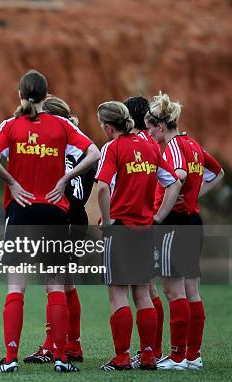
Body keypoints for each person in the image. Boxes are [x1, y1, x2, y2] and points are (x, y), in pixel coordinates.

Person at [0, 70, 100, 373]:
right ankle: (61, 358)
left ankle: (10, 360)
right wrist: (65, 178)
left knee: (15, 288)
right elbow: (94, 153)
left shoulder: (10, 126)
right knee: (56, 286)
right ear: (47, 96)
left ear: (19, 95)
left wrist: (11, 182)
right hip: (54, 213)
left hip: (21, 212)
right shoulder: (61, 125)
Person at [95, 101, 182, 371]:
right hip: (145, 230)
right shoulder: (150, 146)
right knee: (143, 294)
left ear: (108, 127)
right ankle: (147, 356)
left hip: (120, 228)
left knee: (118, 295)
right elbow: (174, 182)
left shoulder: (113, 147)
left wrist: (108, 222)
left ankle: (121, 357)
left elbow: (101, 188)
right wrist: (157, 217)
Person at [145, 92, 225, 370]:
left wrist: (159, 216)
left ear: (162, 126)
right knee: (192, 290)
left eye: (150, 128)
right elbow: (217, 173)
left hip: (174, 224)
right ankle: (193, 355)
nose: (149, 133)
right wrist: (194, 196)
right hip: (192, 222)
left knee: (173, 291)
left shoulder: (173, 148)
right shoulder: (192, 144)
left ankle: (177, 357)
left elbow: (176, 178)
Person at [22, 96, 93, 365]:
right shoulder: (82, 146)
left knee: (53, 284)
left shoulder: (49, 144)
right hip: (78, 218)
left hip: (57, 217)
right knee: (66, 283)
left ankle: (54, 345)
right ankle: (72, 344)